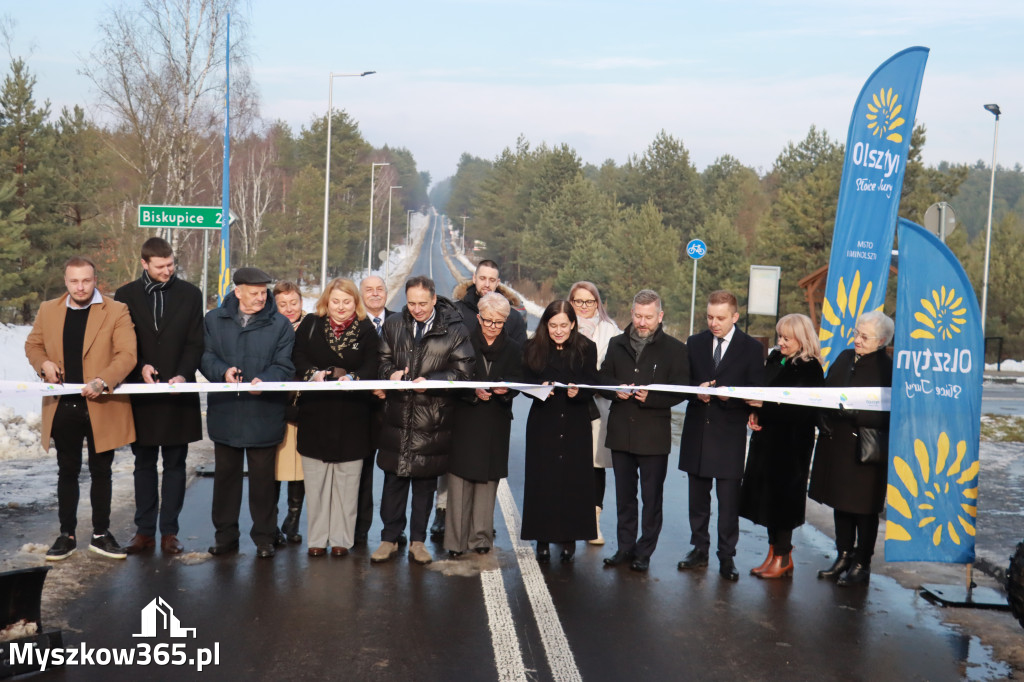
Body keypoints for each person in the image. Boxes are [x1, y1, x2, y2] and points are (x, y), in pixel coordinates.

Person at [25, 256, 137, 560]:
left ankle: (101, 534)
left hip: (102, 402)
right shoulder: (48, 310)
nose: (80, 287)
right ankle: (67, 535)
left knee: (102, 471)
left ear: (95, 280)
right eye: (74, 281)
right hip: (63, 404)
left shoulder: (116, 310)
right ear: (66, 282)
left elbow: (127, 354)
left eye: (86, 280)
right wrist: (43, 364)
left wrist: (104, 380)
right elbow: (33, 345)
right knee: (67, 470)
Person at [371, 276, 474, 565]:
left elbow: (465, 372)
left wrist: (430, 382)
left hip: (432, 420)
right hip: (397, 418)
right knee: (393, 483)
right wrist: (390, 374)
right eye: (411, 303)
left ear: (434, 300)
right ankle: (389, 539)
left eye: (422, 304)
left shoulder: (455, 329)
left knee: (424, 487)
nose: (416, 309)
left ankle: (418, 541)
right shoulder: (394, 324)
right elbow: (381, 361)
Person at [114, 237, 204, 556]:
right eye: (161, 266)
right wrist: (140, 366)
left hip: (178, 391)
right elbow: (122, 342)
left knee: (176, 463)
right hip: (142, 393)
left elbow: (195, 342)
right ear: (144, 264)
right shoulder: (125, 295)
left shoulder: (191, 294)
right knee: (144, 463)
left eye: (171, 264)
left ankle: (169, 533)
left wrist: (183, 374)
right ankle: (144, 532)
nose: (168, 271)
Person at [201, 267, 295, 559]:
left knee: (263, 484)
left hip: (263, 413)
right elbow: (205, 356)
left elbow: (285, 364)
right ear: (238, 291)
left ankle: (265, 537)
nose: (260, 298)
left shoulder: (280, 324)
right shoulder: (214, 320)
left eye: (263, 292)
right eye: (254, 293)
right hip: (226, 413)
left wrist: (264, 381)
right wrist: (222, 372)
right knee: (225, 482)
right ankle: (225, 537)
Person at [678, 290, 765, 581]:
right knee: (697, 499)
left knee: (728, 502)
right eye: (710, 317)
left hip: (729, 434)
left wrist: (734, 397)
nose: (714, 323)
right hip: (698, 432)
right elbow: (683, 381)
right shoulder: (695, 342)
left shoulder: (751, 348)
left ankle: (727, 556)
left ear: (735, 317)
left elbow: (757, 390)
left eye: (720, 318)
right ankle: (699, 549)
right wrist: (697, 391)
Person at [600, 290, 689, 572]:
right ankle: (624, 547)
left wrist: (651, 398)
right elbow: (603, 377)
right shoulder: (616, 344)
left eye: (648, 317)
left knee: (651, 499)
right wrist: (615, 389)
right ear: (632, 313)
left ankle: (644, 551)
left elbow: (681, 390)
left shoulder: (675, 349)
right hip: (621, 433)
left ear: (660, 316)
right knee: (624, 497)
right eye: (638, 316)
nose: (642, 322)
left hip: (653, 436)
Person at [440, 259, 527, 541]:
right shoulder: (463, 344)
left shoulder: (513, 349)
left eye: (498, 322)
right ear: (479, 318)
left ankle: (481, 537)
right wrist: (471, 391)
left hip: (495, 420)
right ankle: (456, 539)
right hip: (465, 417)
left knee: (488, 482)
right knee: (459, 480)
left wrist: (507, 390)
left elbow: (518, 378)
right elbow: (453, 378)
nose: (492, 326)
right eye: (488, 320)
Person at [293, 278, 379, 558]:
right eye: (335, 301)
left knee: (347, 484)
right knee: (316, 483)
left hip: (352, 415)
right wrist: (314, 374)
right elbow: (298, 356)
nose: (341, 307)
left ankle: (342, 539)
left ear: (356, 303)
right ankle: (317, 539)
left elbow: (373, 364)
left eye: (347, 301)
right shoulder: (310, 324)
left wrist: (353, 377)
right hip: (316, 413)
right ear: (326, 302)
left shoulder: (366, 329)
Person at [808, 310, 894, 586]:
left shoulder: (888, 369)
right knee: (841, 504)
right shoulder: (845, 357)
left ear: (881, 341)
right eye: (857, 333)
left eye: (864, 337)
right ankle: (843, 555)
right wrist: (821, 414)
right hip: (838, 444)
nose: (857, 339)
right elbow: (826, 390)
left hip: (866, 450)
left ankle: (862, 562)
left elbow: (893, 412)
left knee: (864, 509)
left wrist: (858, 414)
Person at [738, 314, 824, 579]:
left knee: (783, 502)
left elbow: (803, 411)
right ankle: (774, 552)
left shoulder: (810, 368)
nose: (781, 342)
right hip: (767, 441)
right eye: (780, 336)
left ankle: (783, 556)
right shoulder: (776, 358)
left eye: (787, 338)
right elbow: (763, 392)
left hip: (791, 446)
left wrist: (764, 408)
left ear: (802, 339)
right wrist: (755, 413)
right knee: (767, 501)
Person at [520, 300, 599, 563]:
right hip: (544, 421)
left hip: (575, 423)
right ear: (546, 324)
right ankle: (542, 539)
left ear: (573, 324)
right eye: (553, 325)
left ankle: (569, 539)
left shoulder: (587, 348)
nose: (558, 331)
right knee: (543, 481)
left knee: (573, 482)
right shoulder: (532, 347)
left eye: (564, 325)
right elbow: (524, 381)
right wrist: (539, 387)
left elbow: (592, 382)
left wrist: (580, 392)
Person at [569, 281, 620, 546]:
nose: (584, 306)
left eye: (589, 301)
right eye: (578, 301)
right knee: (567, 463)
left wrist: (599, 383)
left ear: (597, 303)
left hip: (597, 406)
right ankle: (565, 521)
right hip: (567, 405)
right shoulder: (562, 325)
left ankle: (593, 523)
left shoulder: (610, 330)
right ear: (570, 302)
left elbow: (615, 366)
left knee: (594, 465)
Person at [356, 275, 398, 546]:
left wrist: (389, 388)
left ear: (386, 292)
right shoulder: (355, 323)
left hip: (395, 408)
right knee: (363, 472)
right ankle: (360, 529)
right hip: (363, 409)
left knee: (394, 473)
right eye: (368, 290)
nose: (374, 294)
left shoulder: (399, 322)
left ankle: (392, 531)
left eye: (379, 289)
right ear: (361, 294)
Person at [272, 281, 306, 544]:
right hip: (275, 407)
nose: (289, 308)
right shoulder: (270, 327)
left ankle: (292, 520)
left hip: (303, 407)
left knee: (299, 470)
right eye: (282, 304)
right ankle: (270, 522)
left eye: (293, 303)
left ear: (301, 302)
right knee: (273, 469)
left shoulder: (312, 327)